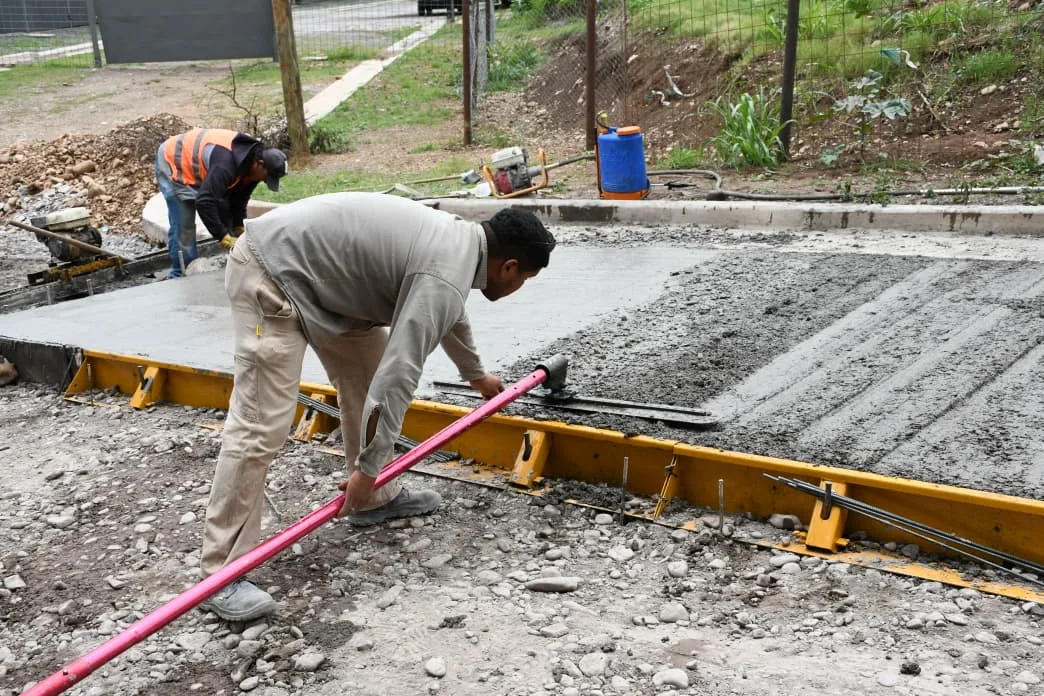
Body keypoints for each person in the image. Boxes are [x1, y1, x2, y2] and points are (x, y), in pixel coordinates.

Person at [199, 192, 556, 621]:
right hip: (271, 273)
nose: (520, 289)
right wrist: (364, 471)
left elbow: (447, 308)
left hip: (322, 284)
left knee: (366, 373)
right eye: (526, 280)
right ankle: (221, 574)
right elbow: (400, 375)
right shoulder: (446, 269)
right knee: (261, 425)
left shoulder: (462, 247)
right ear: (509, 267)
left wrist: (476, 374)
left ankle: (375, 499)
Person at [154, 127, 288, 278]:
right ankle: (181, 274)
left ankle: (235, 262)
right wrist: (222, 236)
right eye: (266, 177)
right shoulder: (226, 165)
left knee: (224, 207)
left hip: (202, 166)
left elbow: (239, 198)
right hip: (173, 161)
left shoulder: (251, 164)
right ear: (259, 164)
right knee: (184, 222)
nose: (264, 181)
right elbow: (204, 201)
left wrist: (238, 226)